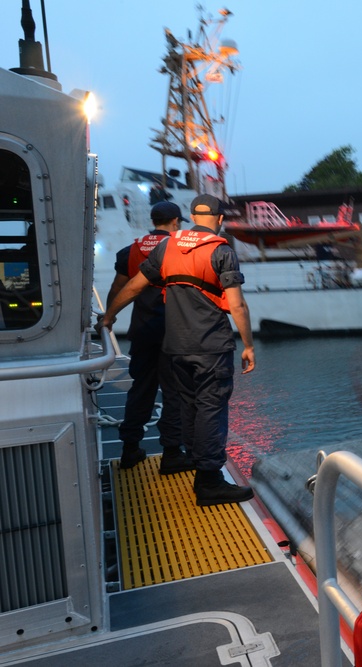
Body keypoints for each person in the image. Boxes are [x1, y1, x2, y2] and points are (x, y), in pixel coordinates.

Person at [102, 194, 256, 506]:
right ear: (220, 220)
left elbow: (132, 286)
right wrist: (249, 345)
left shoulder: (166, 246)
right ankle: (209, 480)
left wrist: (108, 316)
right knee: (211, 408)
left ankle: (188, 460)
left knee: (188, 406)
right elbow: (236, 304)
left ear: (191, 217)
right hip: (211, 345)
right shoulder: (221, 250)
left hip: (174, 346)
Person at [107, 200, 194, 474]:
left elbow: (118, 288)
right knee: (175, 393)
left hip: (142, 331)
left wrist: (109, 317)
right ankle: (171, 453)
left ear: (153, 220)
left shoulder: (130, 251)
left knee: (141, 390)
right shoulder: (183, 249)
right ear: (176, 222)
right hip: (174, 332)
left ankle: (130, 449)